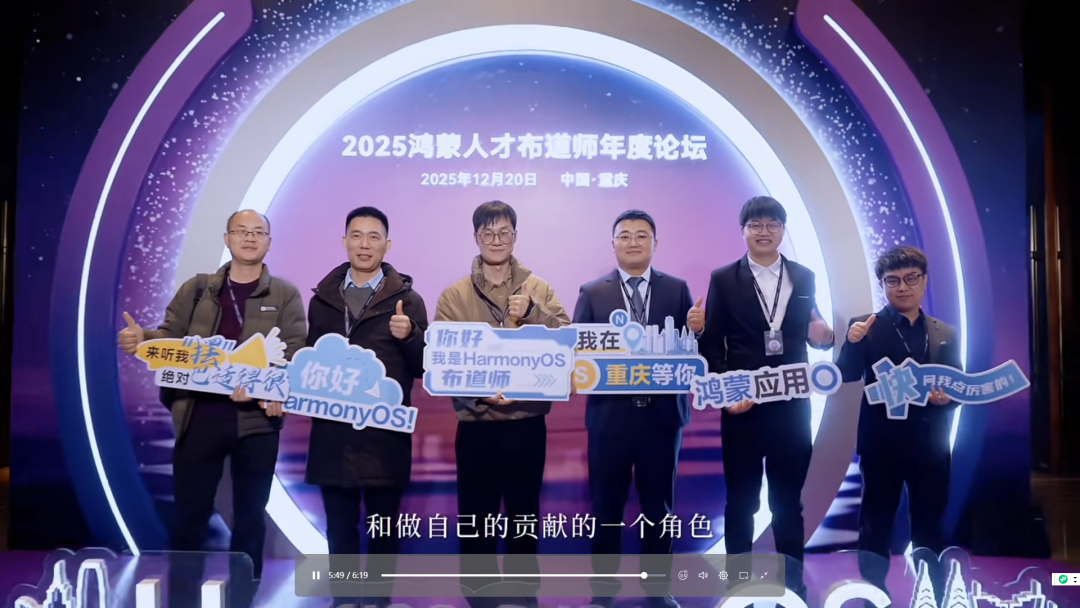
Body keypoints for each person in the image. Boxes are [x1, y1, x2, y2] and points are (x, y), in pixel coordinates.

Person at [117, 209, 307, 607]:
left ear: (269, 242)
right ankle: (182, 599)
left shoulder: (284, 294)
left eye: (258, 232)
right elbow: (171, 338)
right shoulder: (198, 289)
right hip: (199, 418)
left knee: (250, 519)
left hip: (256, 425)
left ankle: (242, 599)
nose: (250, 238)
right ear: (227, 238)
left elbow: (294, 353)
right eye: (241, 231)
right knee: (190, 518)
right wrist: (143, 339)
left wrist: (260, 388)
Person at [694, 196, 834, 598]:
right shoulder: (724, 278)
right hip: (743, 408)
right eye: (755, 224)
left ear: (783, 230)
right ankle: (737, 583)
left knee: (788, 501)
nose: (764, 231)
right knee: (742, 500)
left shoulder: (804, 276)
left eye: (773, 224)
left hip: (792, 407)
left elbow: (815, 331)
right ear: (743, 231)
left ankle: (792, 582)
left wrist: (823, 337)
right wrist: (729, 388)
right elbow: (711, 343)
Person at [434, 200, 570, 608]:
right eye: (488, 233)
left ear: (515, 236)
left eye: (504, 232)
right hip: (476, 423)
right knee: (476, 515)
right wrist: (480, 390)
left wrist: (533, 312)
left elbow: (566, 340)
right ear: (476, 237)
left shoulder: (538, 288)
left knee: (524, 513)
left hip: (526, 422)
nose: (496, 240)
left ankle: (523, 592)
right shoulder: (454, 295)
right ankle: (479, 595)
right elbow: (443, 359)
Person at [304, 206, 429, 608]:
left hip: (384, 434)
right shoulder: (322, 300)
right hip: (333, 433)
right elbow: (308, 362)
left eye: (373, 237)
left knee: (383, 530)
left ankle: (378, 600)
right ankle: (343, 599)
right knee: (339, 530)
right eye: (356, 236)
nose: (364, 244)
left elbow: (423, 367)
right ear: (345, 242)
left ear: (387, 245)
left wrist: (411, 335)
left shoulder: (408, 300)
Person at [572, 210, 695, 608]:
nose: (633, 242)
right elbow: (577, 353)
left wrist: (700, 329)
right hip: (611, 419)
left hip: (662, 419)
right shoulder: (592, 293)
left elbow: (692, 349)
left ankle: (657, 590)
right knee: (606, 506)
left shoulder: (677, 290)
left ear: (655, 244)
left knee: (659, 508)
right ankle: (603, 591)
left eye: (642, 235)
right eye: (625, 236)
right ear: (613, 244)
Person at [837, 246, 959, 604]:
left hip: (932, 445)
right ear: (883, 285)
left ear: (924, 281)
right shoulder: (865, 326)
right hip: (881, 444)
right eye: (892, 281)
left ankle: (933, 593)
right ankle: (873, 594)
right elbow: (845, 374)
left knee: (930, 524)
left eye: (910, 278)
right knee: (875, 524)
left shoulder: (945, 332)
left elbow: (959, 385)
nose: (902, 287)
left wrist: (947, 398)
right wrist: (851, 342)